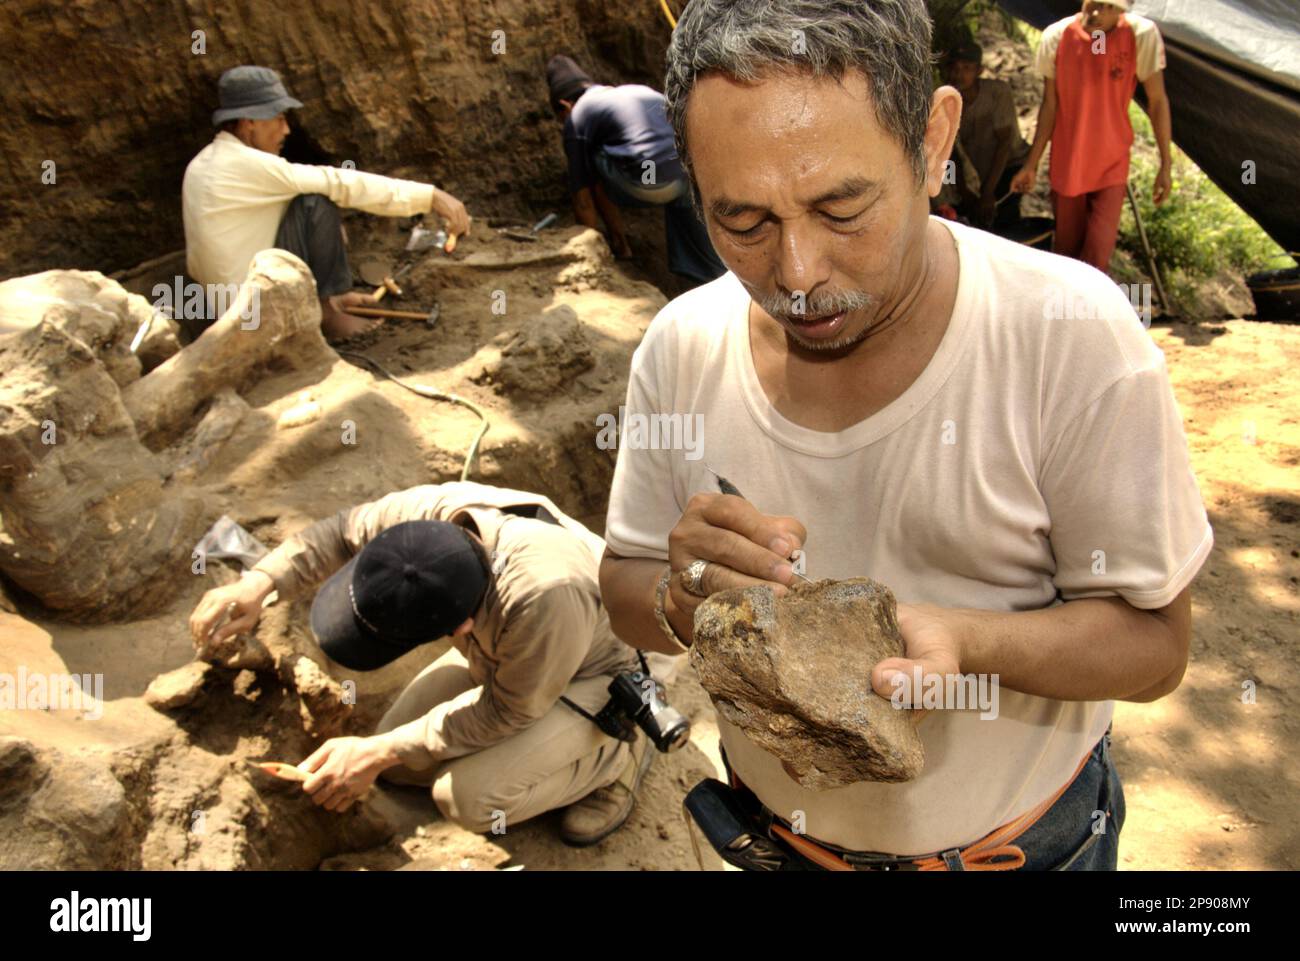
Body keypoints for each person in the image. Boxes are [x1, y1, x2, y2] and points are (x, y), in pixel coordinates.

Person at [598, 0, 1211, 871]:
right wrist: (680, 597)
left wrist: (970, 647)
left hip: (1028, 854)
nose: (798, 274)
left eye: (842, 207)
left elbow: (1157, 652)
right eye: (742, 221)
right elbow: (621, 587)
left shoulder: (1072, 336)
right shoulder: (680, 347)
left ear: (932, 142)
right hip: (774, 849)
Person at [189, 482, 676, 846]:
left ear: (461, 629)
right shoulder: (423, 524)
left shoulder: (542, 596)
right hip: (520, 653)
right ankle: (547, 745)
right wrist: (257, 583)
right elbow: (340, 531)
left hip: (606, 669)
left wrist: (378, 750)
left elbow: (510, 712)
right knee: (401, 767)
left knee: (465, 799)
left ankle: (617, 760)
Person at [182, 65, 472, 340]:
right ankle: (325, 316)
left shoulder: (203, 163)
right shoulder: (248, 165)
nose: (286, 130)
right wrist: (431, 196)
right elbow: (338, 182)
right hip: (256, 315)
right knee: (316, 202)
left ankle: (329, 301)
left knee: (304, 201)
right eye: (280, 118)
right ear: (250, 123)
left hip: (223, 311)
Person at [1010, 1, 1172, 271]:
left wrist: (1165, 164)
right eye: (1094, 4)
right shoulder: (1058, 36)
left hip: (1112, 161)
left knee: (1097, 253)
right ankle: (1066, 313)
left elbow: (1157, 101)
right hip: (1068, 161)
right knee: (1066, 254)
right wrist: (1031, 164)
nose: (1097, 12)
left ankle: (1090, 313)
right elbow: (1050, 104)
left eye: (1108, 7)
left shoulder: (1140, 35)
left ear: (1121, 11)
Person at [546, 55, 725, 288]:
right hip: (690, 174)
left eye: (560, 118)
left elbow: (583, 201)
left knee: (592, 158)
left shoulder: (578, 115)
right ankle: (708, 279)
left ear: (564, 105)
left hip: (645, 182)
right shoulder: (637, 91)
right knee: (679, 178)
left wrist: (588, 251)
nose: (563, 124)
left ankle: (620, 243)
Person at [944, 41, 1031, 233]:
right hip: (977, 173)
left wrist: (988, 193)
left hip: (1010, 165)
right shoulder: (947, 100)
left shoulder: (997, 93)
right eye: (954, 68)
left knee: (1002, 220)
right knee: (961, 212)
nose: (959, 74)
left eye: (967, 68)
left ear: (979, 71)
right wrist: (962, 191)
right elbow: (951, 154)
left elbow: (1004, 144)